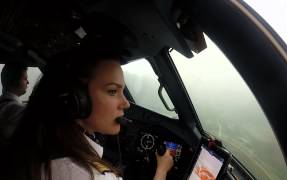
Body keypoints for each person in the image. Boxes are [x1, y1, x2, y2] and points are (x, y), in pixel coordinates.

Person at [2, 37, 173, 180]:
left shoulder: (42, 139)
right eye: (113, 91)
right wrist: (162, 170)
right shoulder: (87, 175)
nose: (126, 103)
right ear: (76, 100)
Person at [0, 63, 28, 144]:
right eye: (25, 78)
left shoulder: (3, 104)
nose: (28, 82)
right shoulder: (12, 108)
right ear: (16, 81)